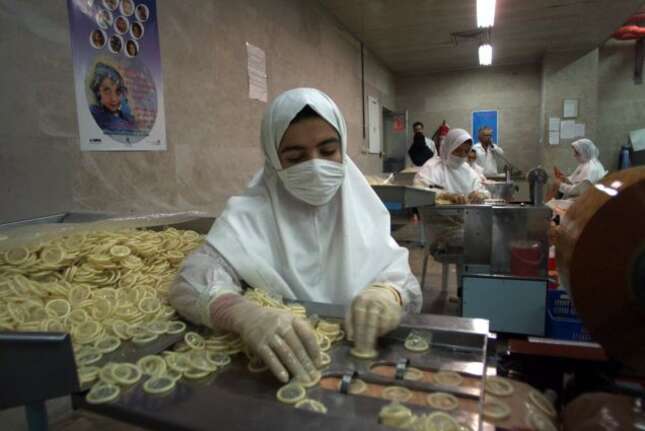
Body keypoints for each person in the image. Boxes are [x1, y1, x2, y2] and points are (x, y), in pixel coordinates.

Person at [169, 88, 422, 384]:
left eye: (328, 151)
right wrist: (243, 315)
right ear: (274, 160)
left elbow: (403, 281)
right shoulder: (250, 215)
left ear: (343, 148)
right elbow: (191, 281)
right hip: (276, 370)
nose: (315, 166)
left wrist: (389, 294)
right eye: (295, 156)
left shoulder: (362, 208)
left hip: (360, 366)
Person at [414, 128, 491, 204]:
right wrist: (444, 195)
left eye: (466, 151)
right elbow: (418, 192)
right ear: (448, 148)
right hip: (435, 215)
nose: (462, 155)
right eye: (458, 150)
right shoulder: (432, 167)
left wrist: (480, 195)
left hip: (465, 215)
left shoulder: (467, 170)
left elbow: (481, 189)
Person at [89, 62, 136, 132]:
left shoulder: (128, 118)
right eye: (107, 91)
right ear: (98, 92)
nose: (114, 98)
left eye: (118, 91)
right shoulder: (95, 114)